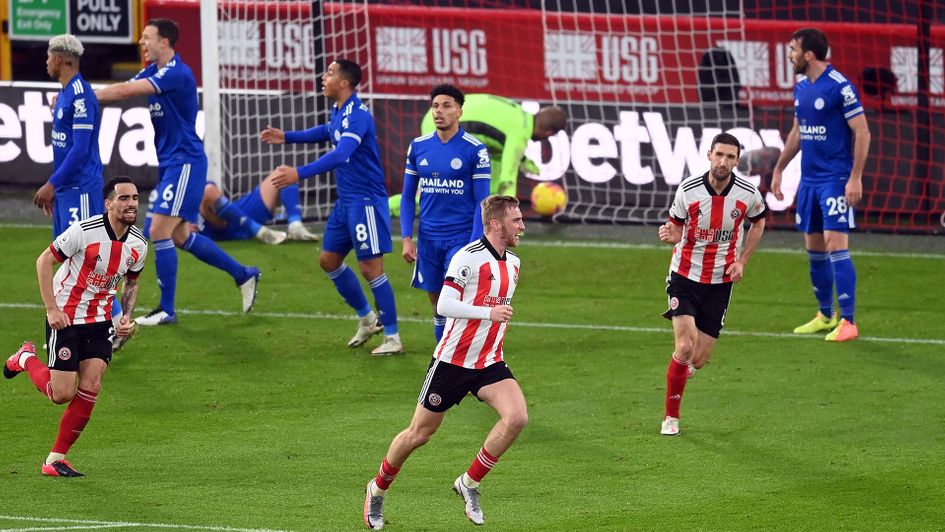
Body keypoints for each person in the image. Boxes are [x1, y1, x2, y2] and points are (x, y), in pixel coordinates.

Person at [363, 195, 526, 529]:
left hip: (489, 363)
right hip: (451, 361)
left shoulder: (514, 263)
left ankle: (469, 483)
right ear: (496, 224)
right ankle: (377, 489)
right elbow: (445, 304)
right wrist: (488, 312)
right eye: (516, 220)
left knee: (517, 418)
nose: (522, 226)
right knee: (418, 435)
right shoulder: (467, 258)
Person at [95, 18, 263, 326]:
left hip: (185, 161)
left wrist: (83, 97)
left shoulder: (176, 73)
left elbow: (124, 92)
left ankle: (167, 310)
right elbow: (125, 88)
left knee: (158, 231)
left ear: (165, 42)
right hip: (173, 162)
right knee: (181, 235)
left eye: (147, 38)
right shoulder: (153, 71)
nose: (142, 43)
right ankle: (244, 274)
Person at [4, 176, 147, 477]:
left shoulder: (138, 244)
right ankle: (25, 358)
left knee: (92, 384)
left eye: (134, 198)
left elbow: (131, 283)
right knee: (61, 394)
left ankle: (55, 458)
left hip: (100, 320)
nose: (131, 203)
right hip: (66, 316)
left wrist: (125, 318)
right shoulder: (84, 231)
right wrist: (51, 309)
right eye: (123, 198)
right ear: (109, 203)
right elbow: (44, 261)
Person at [261, 59, 402, 355]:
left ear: (345, 83)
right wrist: (287, 137)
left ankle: (393, 337)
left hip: (365, 201)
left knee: (371, 268)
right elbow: (326, 132)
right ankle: (367, 318)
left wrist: (298, 173)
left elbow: (341, 154)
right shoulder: (338, 110)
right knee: (328, 260)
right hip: (346, 202)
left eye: (329, 73)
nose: (323, 77)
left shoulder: (359, 115)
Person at [657, 133, 767, 437]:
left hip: (720, 281)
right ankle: (671, 417)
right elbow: (676, 227)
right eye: (719, 155)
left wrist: (743, 260)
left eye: (730, 157)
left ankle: (679, 373)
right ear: (709, 155)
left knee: (699, 359)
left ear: (737, 160)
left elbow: (759, 221)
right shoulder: (688, 189)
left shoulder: (747, 193)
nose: (723, 162)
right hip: (684, 276)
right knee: (684, 346)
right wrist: (671, 234)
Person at [771, 28, 870, 342]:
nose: (790, 55)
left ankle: (849, 322)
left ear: (808, 54)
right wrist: (779, 169)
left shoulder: (840, 87)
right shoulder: (801, 87)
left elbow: (863, 132)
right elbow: (798, 133)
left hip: (835, 180)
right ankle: (826, 315)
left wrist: (854, 177)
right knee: (813, 247)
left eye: (793, 49)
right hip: (809, 181)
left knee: (834, 245)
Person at [401, 84, 491, 342]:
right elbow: (408, 195)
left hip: (461, 238)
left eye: (446, 106)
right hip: (428, 239)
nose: (439, 112)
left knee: (453, 299)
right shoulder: (418, 147)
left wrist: (474, 244)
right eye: (435, 106)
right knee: (436, 302)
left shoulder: (475, 149)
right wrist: (407, 237)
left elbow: (481, 201)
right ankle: (443, 353)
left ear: (460, 112)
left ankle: (454, 356)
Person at [390, 94, 567, 216]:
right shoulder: (519, 134)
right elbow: (508, 180)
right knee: (436, 191)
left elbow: (500, 142)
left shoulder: (520, 115)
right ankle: (383, 209)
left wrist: (522, 160)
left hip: (440, 117)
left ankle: (488, 212)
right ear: (548, 132)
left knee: (494, 157)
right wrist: (513, 217)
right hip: (440, 126)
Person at [193, 178, 320, 244]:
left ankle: (296, 226)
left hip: (234, 213)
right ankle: (259, 231)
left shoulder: (187, 167)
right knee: (208, 192)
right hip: (212, 230)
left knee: (284, 173)